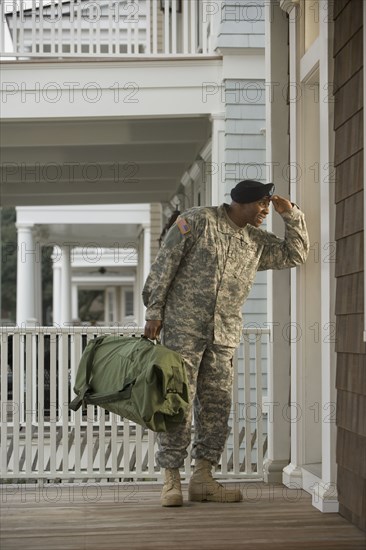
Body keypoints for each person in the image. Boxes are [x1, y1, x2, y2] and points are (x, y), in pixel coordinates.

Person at [142, 179, 309, 507]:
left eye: (266, 205)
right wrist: (154, 311)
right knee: (177, 401)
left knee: (217, 406)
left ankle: (203, 477)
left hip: (224, 335)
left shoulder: (255, 240)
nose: (265, 211)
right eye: (262, 204)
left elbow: (295, 254)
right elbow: (165, 265)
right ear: (242, 202)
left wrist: (292, 215)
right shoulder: (198, 221)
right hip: (183, 330)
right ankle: (171, 479)